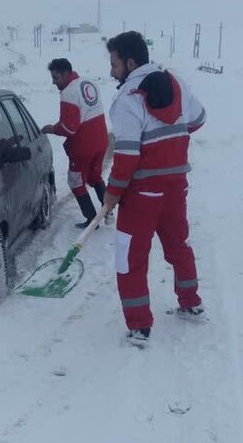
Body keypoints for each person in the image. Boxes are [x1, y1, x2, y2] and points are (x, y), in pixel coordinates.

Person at [97, 31, 207, 343]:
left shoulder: (127, 99)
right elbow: (198, 119)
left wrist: (112, 193)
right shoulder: (175, 82)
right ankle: (191, 303)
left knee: (129, 256)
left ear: (131, 62)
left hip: (143, 193)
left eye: (114, 64)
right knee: (178, 245)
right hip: (175, 186)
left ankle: (139, 325)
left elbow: (127, 156)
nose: (111, 71)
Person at [40, 58, 111, 229]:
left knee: (75, 181)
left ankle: (92, 220)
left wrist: (51, 128)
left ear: (65, 74)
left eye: (56, 78)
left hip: (83, 147)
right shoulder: (87, 83)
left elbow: (69, 128)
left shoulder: (68, 92)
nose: (54, 82)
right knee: (94, 176)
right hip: (101, 140)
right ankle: (108, 210)